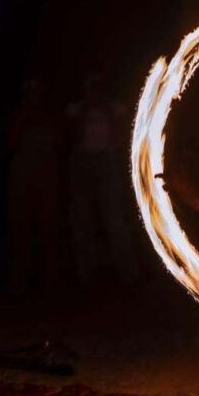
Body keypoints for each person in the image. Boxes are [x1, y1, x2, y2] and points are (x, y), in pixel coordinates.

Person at [66, 73, 140, 286]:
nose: (93, 92)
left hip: (107, 162)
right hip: (82, 162)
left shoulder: (115, 108)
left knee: (114, 218)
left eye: (97, 88)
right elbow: (73, 137)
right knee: (83, 220)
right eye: (90, 88)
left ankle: (128, 273)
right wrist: (85, 111)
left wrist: (106, 112)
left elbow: (123, 132)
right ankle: (87, 274)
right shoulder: (77, 110)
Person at [6, 79, 62, 294]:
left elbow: (60, 143)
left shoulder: (50, 118)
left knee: (48, 229)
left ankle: (50, 279)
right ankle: (20, 280)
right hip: (23, 179)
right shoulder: (18, 117)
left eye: (37, 91)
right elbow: (9, 145)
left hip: (46, 178)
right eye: (30, 92)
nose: (33, 96)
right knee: (21, 229)